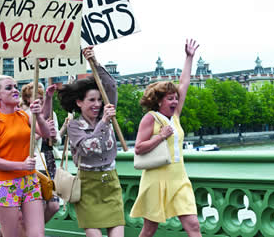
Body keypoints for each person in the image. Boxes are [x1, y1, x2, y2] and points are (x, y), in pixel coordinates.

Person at [130, 39, 201, 237]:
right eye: (170, 98)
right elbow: (138, 148)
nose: (175, 101)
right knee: (149, 229)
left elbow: (184, 83)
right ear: (159, 101)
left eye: (175, 98)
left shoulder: (175, 116)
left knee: (193, 225)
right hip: (157, 179)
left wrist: (189, 57)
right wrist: (160, 137)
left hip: (179, 178)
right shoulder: (150, 118)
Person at [57, 47, 125, 237]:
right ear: (79, 102)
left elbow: (110, 87)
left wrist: (94, 61)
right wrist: (104, 123)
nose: (97, 105)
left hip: (110, 181)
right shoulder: (74, 126)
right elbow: (88, 148)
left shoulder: (107, 113)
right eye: (91, 100)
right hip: (87, 185)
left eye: (99, 100)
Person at [0, 75, 51, 237]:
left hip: (30, 181)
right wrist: (21, 165)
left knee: (37, 235)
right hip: (6, 185)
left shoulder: (24, 115)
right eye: (9, 88)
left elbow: (46, 134)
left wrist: (39, 116)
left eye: (15, 86)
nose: (15, 90)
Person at [21, 82, 61, 223]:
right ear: (27, 99)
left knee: (54, 205)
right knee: (35, 206)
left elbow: (58, 141)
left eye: (41, 97)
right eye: (35, 97)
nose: (39, 100)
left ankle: (31, 230)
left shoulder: (51, 114)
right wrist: (41, 132)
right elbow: (24, 142)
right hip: (34, 161)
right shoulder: (24, 115)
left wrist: (54, 136)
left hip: (49, 160)